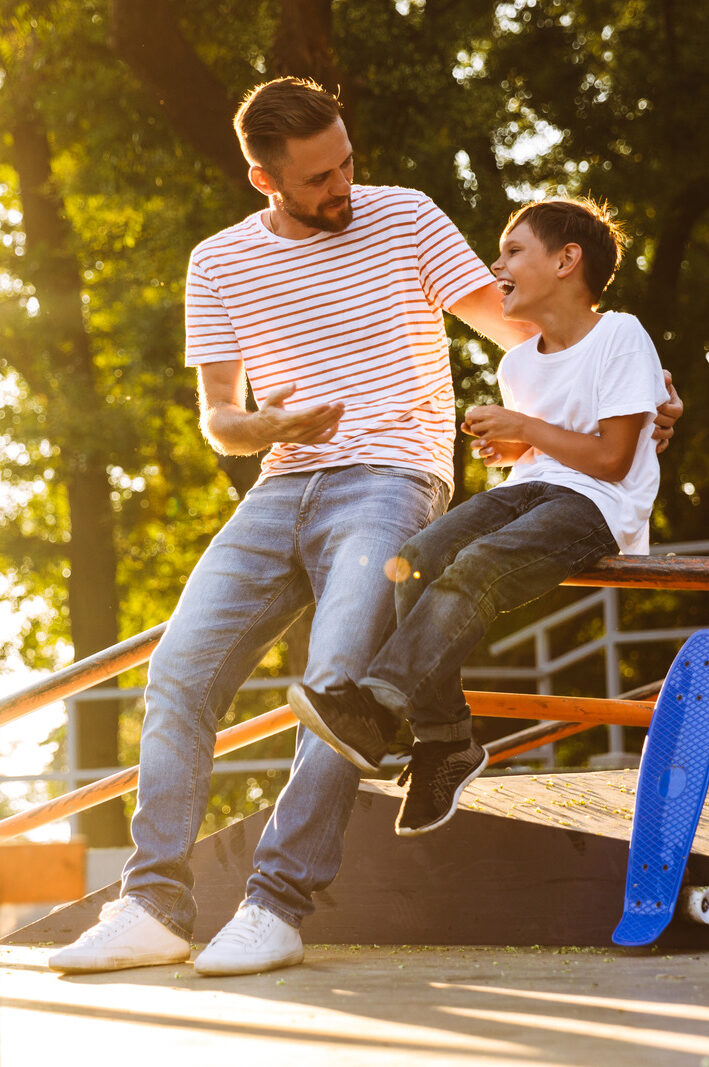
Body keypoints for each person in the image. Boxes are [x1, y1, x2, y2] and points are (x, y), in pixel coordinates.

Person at [48, 79, 681, 977]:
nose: (342, 184)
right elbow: (219, 418)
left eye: (345, 161)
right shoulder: (218, 262)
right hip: (277, 486)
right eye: (316, 178)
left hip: (392, 477)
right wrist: (270, 429)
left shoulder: (406, 217)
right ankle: (154, 902)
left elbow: (530, 325)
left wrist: (638, 388)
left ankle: (275, 902)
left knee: (336, 681)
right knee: (180, 670)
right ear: (262, 177)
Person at [288, 197, 671, 839]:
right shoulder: (517, 363)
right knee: (413, 560)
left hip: (596, 508)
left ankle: (379, 708)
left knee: (479, 566)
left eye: (512, 251)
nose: (496, 268)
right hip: (532, 489)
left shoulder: (620, 335)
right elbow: (547, 447)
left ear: (567, 260)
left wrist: (525, 428)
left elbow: (609, 459)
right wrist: (515, 447)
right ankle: (447, 742)